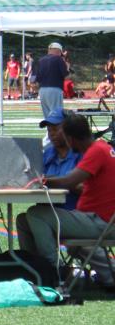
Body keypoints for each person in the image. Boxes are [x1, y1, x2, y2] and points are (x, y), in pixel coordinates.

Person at [16, 113, 115, 286]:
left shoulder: (96, 151)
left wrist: (41, 180)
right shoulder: (101, 148)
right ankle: (35, 270)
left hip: (99, 221)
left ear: (70, 138)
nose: (52, 135)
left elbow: (69, 181)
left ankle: (54, 273)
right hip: (94, 218)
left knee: (36, 214)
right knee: (23, 221)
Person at [40, 111, 78, 209]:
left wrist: (51, 182)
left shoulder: (80, 153)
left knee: (33, 214)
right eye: (49, 130)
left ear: (69, 129)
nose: (52, 134)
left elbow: (86, 188)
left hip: (73, 210)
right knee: (23, 217)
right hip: (48, 208)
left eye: (55, 129)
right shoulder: (47, 154)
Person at [34, 40, 68, 121]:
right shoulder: (58, 59)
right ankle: (57, 129)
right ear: (58, 50)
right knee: (57, 114)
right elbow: (65, 74)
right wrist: (67, 67)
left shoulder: (41, 60)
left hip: (42, 90)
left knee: (47, 116)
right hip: (55, 89)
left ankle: (49, 129)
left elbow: (37, 78)